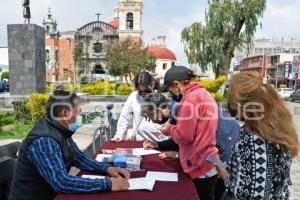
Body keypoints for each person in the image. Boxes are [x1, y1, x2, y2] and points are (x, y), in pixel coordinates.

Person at [9, 90, 130, 200]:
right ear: (65, 113)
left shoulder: (60, 131)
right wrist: (108, 184)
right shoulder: (44, 140)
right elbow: (61, 182)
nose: (80, 115)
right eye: (78, 111)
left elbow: (79, 157)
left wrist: (107, 168)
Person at [216, 71, 299, 199]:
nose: (229, 106)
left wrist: (225, 175)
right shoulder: (276, 129)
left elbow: (252, 195)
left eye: (231, 101)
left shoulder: (256, 142)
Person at [158, 66, 219, 200]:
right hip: (209, 160)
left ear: (176, 84)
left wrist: (169, 129)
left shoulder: (190, 99)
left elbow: (184, 136)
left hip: (199, 165)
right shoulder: (204, 93)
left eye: (170, 89)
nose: (171, 93)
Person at [111, 71, 168, 142]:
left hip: (159, 141)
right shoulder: (133, 96)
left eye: (146, 90)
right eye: (140, 91)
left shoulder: (160, 97)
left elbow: (167, 120)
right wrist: (119, 135)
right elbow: (124, 116)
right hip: (140, 141)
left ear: (152, 84)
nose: (143, 93)